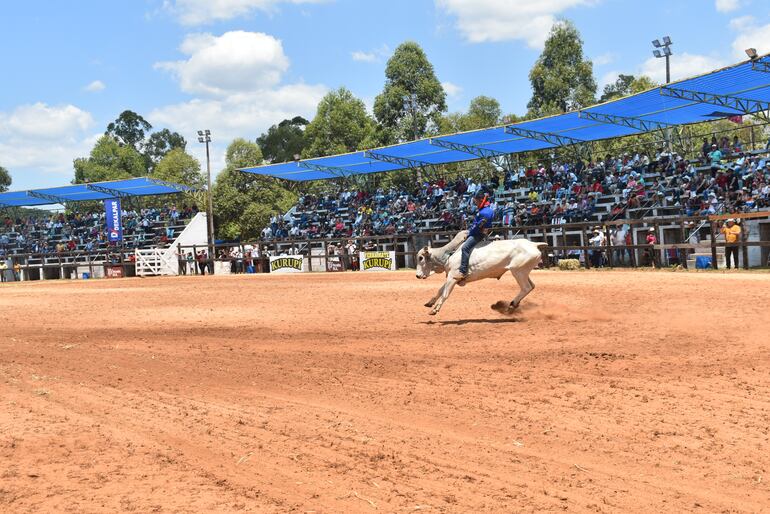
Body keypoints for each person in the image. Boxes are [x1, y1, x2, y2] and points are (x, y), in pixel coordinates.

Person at [458, 190, 495, 281]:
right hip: (478, 232)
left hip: (477, 234)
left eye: (477, 201)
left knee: (465, 248)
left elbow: (477, 227)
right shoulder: (485, 210)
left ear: (482, 199)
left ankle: (463, 271)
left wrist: (469, 234)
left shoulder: (484, 212)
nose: (476, 202)